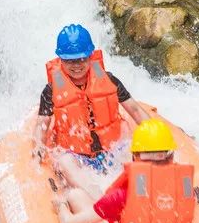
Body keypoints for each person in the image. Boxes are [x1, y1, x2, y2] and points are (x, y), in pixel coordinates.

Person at [33, 24, 150, 197]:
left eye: (81, 59)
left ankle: (138, 193)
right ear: (60, 59)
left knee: (130, 150)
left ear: (90, 56)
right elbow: (41, 125)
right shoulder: (51, 90)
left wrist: (158, 136)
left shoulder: (109, 80)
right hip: (76, 156)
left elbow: (135, 110)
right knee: (65, 162)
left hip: (113, 150)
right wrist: (37, 151)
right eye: (70, 60)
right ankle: (96, 197)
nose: (77, 65)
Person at [52, 119, 196, 223]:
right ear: (171, 157)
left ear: (134, 157)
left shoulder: (121, 196)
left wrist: (61, 206)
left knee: (75, 195)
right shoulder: (184, 187)